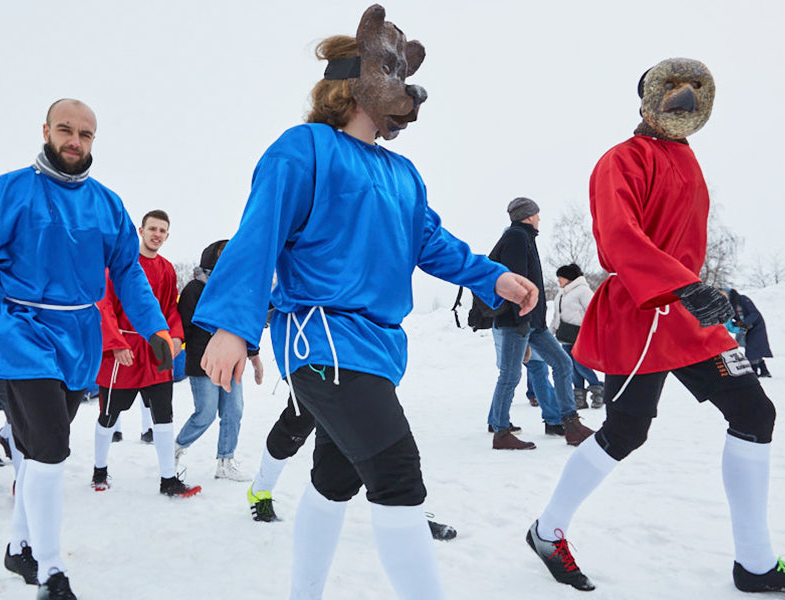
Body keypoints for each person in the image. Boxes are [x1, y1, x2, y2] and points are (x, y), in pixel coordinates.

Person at [192, 8, 537, 599]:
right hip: (321, 336)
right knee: (397, 472)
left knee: (335, 477)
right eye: (392, 76)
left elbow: (431, 242)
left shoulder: (403, 173)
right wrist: (231, 324)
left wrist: (494, 277)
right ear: (354, 82)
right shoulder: (304, 147)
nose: (407, 94)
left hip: (378, 345)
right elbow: (258, 233)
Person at [527, 58, 785, 598]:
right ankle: (545, 531)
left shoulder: (687, 160)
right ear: (649, 99)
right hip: (640, 314)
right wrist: (680, 284)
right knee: (626, 432)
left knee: (754, 411)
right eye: (672, 90)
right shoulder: (620, 160)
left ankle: (755, 563)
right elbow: (618, 239)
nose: (685, 100)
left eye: (693, 92)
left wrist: (699, 289)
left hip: (688, 315)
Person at [0, 99, 174, 600]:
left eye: (85, 134)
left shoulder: (107, 204)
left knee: (41, 453)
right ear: (46, 130)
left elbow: (127, 271)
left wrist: (155, 329)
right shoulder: (6, 192)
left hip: (79, 339)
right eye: (66, 130)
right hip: (21, 331)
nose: (75, 141)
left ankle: (20, 545)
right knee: (52, 452)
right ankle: (50, 570)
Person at [91, 210, 197, 498]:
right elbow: (105, 305)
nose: (157, 235)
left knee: (164, 415)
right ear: (140, 230)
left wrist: (174, 335)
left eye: (163, 231)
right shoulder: (119, 266)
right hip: (123, 352)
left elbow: (170, 308)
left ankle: (168, 479)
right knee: (109, 415)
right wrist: (114, 343)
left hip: (155, 351)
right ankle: (99, 470)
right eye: (153, 228)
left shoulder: (167, 269)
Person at [487, 198, 595, 449]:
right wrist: (522, 320)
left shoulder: (525, 237)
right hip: (519, 322)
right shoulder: (516, 237)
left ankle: (570, 423)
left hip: (533, 323)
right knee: (510, 375)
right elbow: (517, 282)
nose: (539, 219)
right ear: (528, 215)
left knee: (562, 362)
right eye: (537, 214)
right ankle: (501, 432)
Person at [174, 240, 264, 481]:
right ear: (211, 257)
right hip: (202, 361)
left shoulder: (235, 287)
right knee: (205, 414)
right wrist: (172, 344)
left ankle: (225, 462)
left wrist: (254, 355)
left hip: (232, 361)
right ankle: (175, 449)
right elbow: (184, 326)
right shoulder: (194, 289)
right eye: (221, 254)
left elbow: (243, 325)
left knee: (234, 411)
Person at [552, 264, 604, 407]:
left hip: (581, 334)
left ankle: (598, 389)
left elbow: (593, 312)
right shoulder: (561, 294)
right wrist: (551, 331)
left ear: (569, 277)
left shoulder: (583, 291)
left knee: (580, 364)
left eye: (560, 277)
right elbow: (557, 315)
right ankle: (579, 396)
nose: (558, 280)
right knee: (571, 366)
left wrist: (593, 332)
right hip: (566, 335)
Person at [726, 288, 773, 378]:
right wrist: (736, 324)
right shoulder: (729, 305)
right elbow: (735, 319)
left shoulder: (743, 299)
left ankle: (754, 372)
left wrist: (745, 324)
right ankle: (764, 371)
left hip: (756, 326)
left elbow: (754, 313)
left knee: (752, 349)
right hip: (746, 328)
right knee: (753, 348)